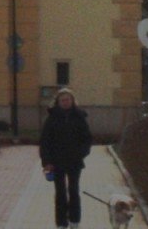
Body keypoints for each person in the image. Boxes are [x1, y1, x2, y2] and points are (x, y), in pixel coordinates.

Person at [39, 87, 92, 228]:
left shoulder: (80, 117)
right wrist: (47, 162)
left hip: (75, 161)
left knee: (74, 190)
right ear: (58, 102)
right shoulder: (52, 118)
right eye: (62, 100)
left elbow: (87, 139)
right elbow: (45, 141)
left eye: (68, 99)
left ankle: (75, 221)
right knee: (60, 193)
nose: (65, 102)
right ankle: (61, 223)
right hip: (56, 162)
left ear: (73, 101)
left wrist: (81, 153)